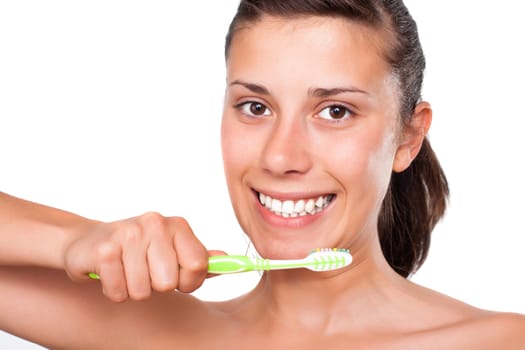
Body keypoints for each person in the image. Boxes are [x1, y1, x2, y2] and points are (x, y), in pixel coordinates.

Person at [1, 0, 524, 348]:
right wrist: (72, 240)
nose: (280, 156)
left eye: (335, 111)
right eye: (255, 107)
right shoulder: (154, 332)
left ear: (407, 138)